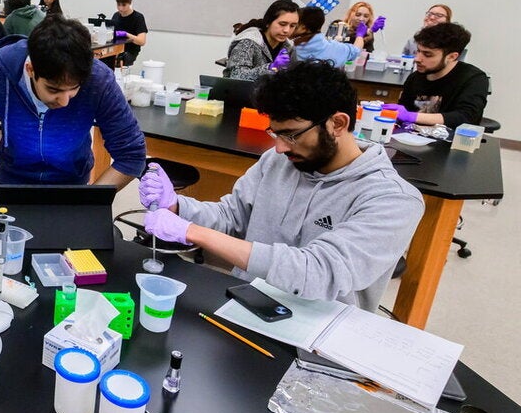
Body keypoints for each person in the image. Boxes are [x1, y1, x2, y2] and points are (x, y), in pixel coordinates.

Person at [141, 60, 424, 313]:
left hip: (319, 339)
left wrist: (193, 232)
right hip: (245, 306)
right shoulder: (279, 162)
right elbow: (232, 217)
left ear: (338, 123)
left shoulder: (393, 200)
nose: (278, 148)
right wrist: (178, 207)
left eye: (291, 135)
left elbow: (317, 271)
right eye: (275, 133)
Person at [0, 15, 146, 188]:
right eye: (53, 89)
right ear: (30, 69)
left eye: (74, 89)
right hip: (11, 182)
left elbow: (131, 155)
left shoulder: (99, 80)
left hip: (72, 186)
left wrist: (90, 202)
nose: (64, 102)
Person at [385, 22, 487, 129]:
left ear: (452, 56)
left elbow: (466, 117)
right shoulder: (415, 77)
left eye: (427, 54)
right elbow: (403, 113)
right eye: (418, 51)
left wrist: (412, 116)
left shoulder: (473, 79)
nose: (417, 59)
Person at [224, 0, 299, 81]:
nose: (287, 30)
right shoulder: (248, 42)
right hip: (242, 93)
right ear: (268, 23)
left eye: (292, 26)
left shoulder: (289, 46)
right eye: (282, 24)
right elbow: (235, 76)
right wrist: (271, 68)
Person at [293, 6, 364, 68]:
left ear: (303, 28)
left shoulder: (293, 48)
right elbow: (355, 51)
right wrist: (360, 35)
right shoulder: (334, 47)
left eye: (293, 25)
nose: (287, 29)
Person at [107, 0, 148, 68]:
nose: (120, 8)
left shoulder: (138, 17)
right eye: (118, 5)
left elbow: (142, 41)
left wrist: (126, 34)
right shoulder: (116, 15)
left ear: (130, 3)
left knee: (117, 60)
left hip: (129, 52)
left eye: (123, 5)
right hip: (115, 50)